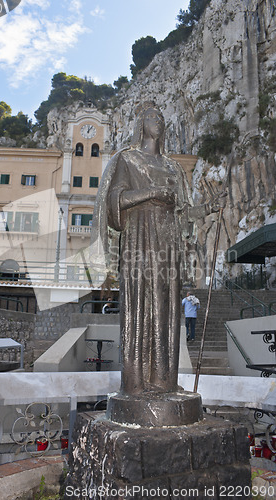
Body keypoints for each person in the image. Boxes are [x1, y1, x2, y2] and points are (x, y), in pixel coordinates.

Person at [91, 103, 225, 396]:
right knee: (139, 305)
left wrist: (209, 208)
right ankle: (135, 383)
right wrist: (151, 193)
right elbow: (115, 200)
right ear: (141, 124)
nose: (159, 120)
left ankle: (163, 381)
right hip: (139, 240)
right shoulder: (128, 160)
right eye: (152, 117)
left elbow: (183, 212)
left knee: (164, 307)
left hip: (167, 242)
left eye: (161, 117)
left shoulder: (173, 167)